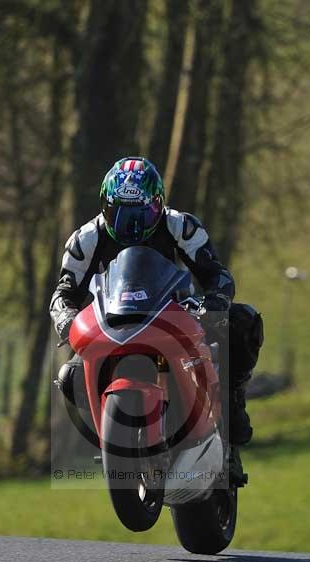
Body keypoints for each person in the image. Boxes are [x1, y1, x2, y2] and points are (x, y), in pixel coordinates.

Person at [50, 156, 263, 447]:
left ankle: (233, 400)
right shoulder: (85, 239)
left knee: (243, 322)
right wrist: (67, 320)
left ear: (159, 204)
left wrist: (214, 301)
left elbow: (216, 274)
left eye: (142, 213)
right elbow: (64, 293)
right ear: (104, 206)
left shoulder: (181, 227)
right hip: (111, 320)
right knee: (69, 376)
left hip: (175, 315)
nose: (131, 227)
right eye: (120, 213)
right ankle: (110, 431)